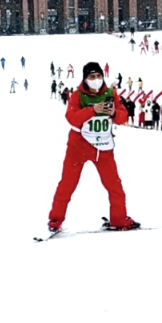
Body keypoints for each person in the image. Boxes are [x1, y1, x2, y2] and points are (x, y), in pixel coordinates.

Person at [47, 62, 138, 233]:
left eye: (98, 76)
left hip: (103, 148)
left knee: (114, 186)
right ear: (85, 79)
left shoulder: (111, 93)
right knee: (67, 184)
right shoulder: (77, 95)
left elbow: (123, 116)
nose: (96, 80)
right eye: (91, 77)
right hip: (78, 147)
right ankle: (55, 220)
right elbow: (71, 117)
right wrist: (92, 110)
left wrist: (113, 113)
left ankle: (119, 219)